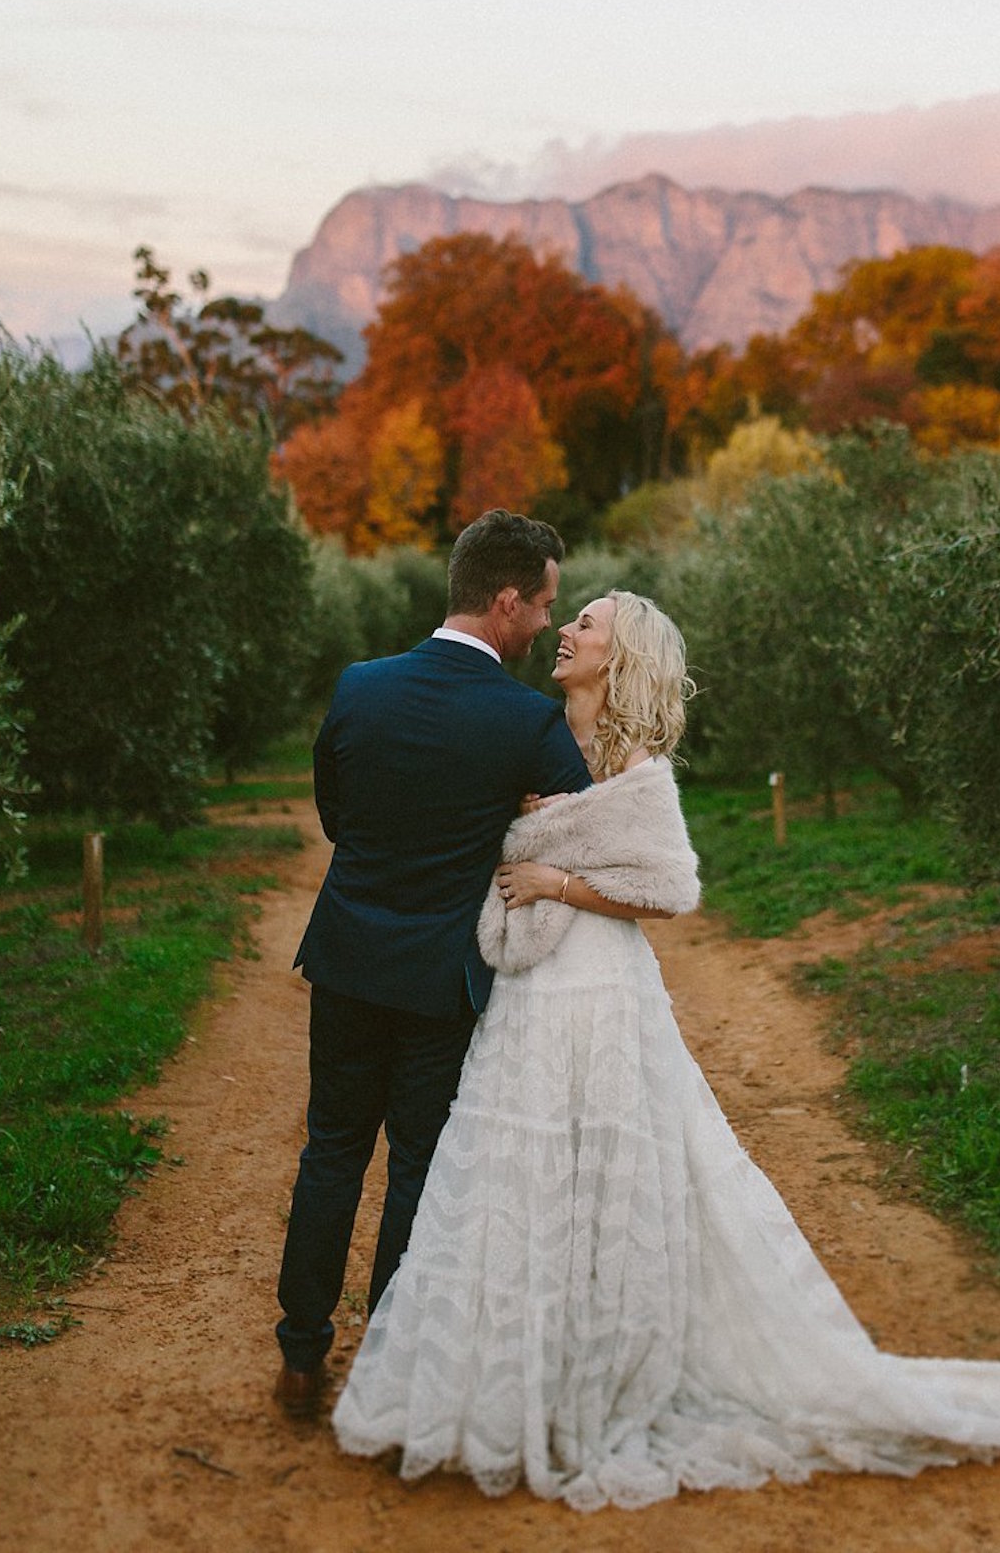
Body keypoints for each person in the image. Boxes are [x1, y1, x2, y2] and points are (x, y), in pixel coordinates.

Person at [333, 592, 1000, 1510]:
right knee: (519, 1169)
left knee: (605, 1164)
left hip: (600, 986)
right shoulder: (532, 740)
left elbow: (667, 890)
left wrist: (559, 879)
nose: (568, 633)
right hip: (529, 994)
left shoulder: (640, 768)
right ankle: (510, 1378)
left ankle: (600, 1372)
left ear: (617, 663)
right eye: (568, 617)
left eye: (586, 626)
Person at [273, 510, 591, 1417]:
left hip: (346, 958)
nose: (544, 624)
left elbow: (337, 815)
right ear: (503, 601)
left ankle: (300, 1358)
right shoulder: (526, 720)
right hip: (441, 979)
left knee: (331, 1150)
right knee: (417, 1164)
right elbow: (580, 824)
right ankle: (389, 1358)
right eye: (541, 606)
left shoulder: (359, 685)